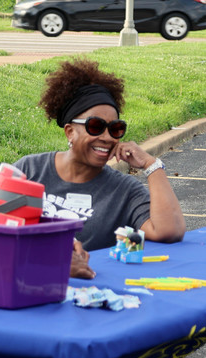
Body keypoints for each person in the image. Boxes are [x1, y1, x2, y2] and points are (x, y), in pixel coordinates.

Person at [14, 58, 185, 255]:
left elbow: (168, 231)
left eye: (115, 129)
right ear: (69, 132)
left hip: (87, 284)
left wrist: (151, 165)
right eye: (95, 126)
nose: (106, 137)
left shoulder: (124, 191)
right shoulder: (29, 170)